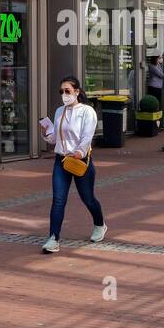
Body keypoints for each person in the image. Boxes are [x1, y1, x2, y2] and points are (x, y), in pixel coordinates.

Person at [40, 76, 107, 254]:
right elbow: (55, 138)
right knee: (58, 200)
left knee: (88, 198)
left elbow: (87, 136)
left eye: (67, 91)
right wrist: (46, 133)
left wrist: (80, 152)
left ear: (76, 92)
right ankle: (53, 238)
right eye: (61, 91)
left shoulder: (87, 111)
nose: (64, 94)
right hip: (61, 160)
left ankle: (100, 224)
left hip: (79, 160)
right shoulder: (59, 111)